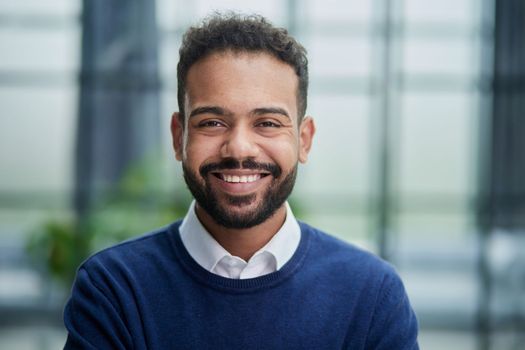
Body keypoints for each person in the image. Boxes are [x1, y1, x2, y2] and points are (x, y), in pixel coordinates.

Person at [64, 13, 419, 349]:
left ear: (304, 140)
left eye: (267, 123)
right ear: (178, 136)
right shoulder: (113, 289)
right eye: (212, 123)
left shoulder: (372, 294)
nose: (239, 147)